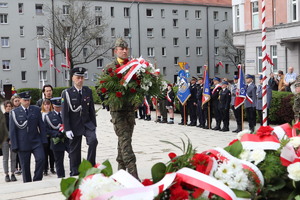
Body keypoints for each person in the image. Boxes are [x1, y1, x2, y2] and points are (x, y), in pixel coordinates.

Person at [104, 38, 139, 179]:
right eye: (121, 48)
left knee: (124, 142)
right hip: (118, 111)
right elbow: (104, 90)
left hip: (130, 110)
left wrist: (138, 99)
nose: (124, 51)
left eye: (126, 48)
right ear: (115, 51)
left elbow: (139, 87)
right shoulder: (109, 68)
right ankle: (134, 174)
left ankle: (120, 173)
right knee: (125, 142)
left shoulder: (134, 67)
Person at [61, 67, 98, 176]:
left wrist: (94, 125)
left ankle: (90, 167)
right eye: (78, 77)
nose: (80, 80)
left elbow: (91, 109)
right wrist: (67, 129)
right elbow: (65, 113)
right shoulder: (67, 93)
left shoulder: (88, 91)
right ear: (73, 78)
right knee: (74, 150)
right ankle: (75, 171)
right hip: (74, 125)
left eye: (82, 77)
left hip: (87, 124)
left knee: (93, 141)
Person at [9, 91, 47, 183]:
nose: (27, 102)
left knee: (41, 159)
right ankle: (28, 183)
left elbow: (41, 126)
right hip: (23, 142)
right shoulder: (14, 112)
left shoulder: (36, 109)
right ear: (21, 100)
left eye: (28, 100)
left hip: (35, 140)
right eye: (25, 100)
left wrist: (44, 140)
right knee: (25, 166)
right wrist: (14, 146)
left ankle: (37, 178)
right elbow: (13, 131)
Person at [45, 97, 69, 178]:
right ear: (53, 106)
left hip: (68, 140)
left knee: (73, 157)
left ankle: (74, 172)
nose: (59, 108)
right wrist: (56, 134)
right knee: (59, 161)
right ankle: (61, 177)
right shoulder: (49, 116)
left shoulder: (66, 113)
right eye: (57, 106)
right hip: (57, 141)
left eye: (60, 106)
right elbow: (46, 130)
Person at [2, 101, 17, 182]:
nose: (8, 107)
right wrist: (7, 139)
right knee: (5, 158)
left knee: (13, 157)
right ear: (5, 107)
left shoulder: (14, 116)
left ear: (12, 107)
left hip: (13, 139)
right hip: (5, 140)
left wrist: (12, 138)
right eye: (7, 106)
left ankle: (12, 173)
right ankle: (6, 174)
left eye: (10, 106)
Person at [41, 99, 55, 176]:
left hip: (51, 136)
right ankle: (45, 169)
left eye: (48, 104)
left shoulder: (52, 114)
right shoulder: (41, 114)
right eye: (45, 104)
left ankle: (52, 167)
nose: (47, 106)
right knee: (45, 153)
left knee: (52, 153)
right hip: (44, 136)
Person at [10, 95, 22, 175]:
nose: (17, 102)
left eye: (18, 100)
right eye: (15, 101)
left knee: (21, 152)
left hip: (21, 135)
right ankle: (15, 167)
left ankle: (21, 167)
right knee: (15, 153)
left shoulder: (22, 110)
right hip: (14, 134)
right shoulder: (12, 111)